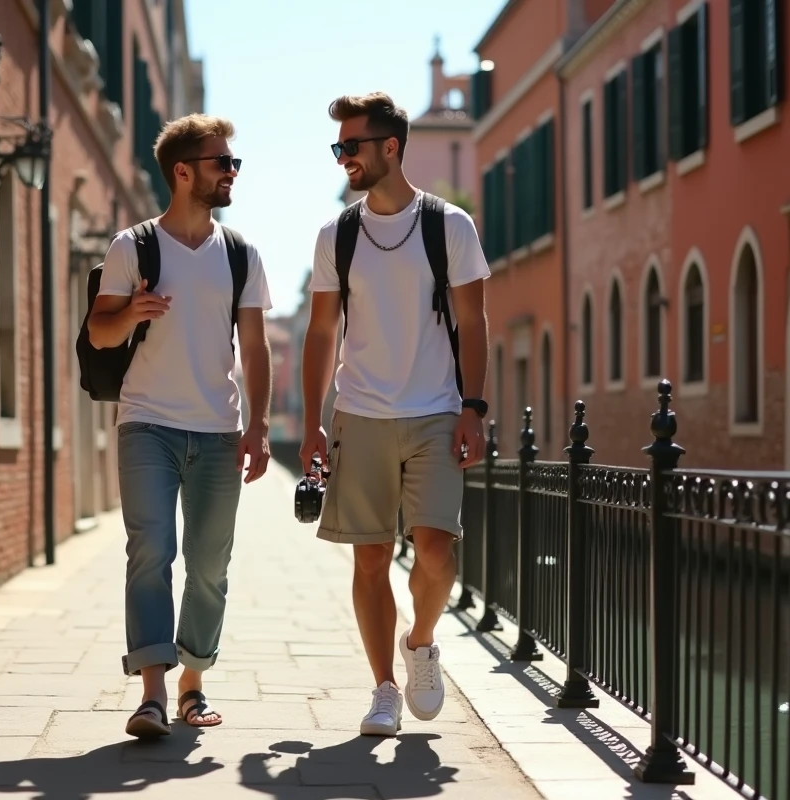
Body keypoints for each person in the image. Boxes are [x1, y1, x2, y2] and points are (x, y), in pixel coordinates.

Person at [299, 92, 491, 737]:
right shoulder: (337, 235)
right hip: (361, 413)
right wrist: (311, 422)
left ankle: (422, 643)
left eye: (351, 146)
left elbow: (473, 320)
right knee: (371, 559)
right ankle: (383, 688)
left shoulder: (450, 227)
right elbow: (322, 333)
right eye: (339, 147)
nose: (343, 158)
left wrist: (473, 406)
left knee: (436, 552)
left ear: (391, 148)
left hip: (437, 411)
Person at [86, 113, 273, 738]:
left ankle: (194, 681)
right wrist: (132, 310)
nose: (232, 173)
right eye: (223, 162)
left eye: (233, 162)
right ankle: (153, 694)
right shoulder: (132, 247)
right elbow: (99, 331)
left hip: (219, 431)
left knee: (210, 565)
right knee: (152, 552)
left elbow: (256, 346)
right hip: (147, 424)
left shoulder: (241, 253)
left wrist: (260, 425)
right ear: (183, 171)